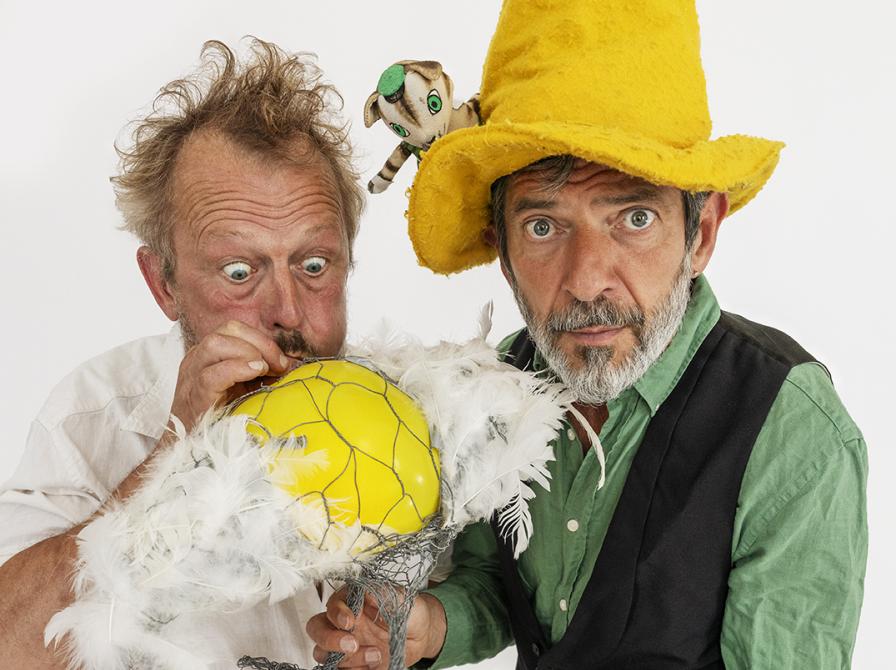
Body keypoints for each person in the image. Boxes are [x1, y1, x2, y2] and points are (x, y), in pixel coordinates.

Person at [307, 1, 868, 668]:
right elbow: (501, 584)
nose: (586, 280)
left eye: (634, 218)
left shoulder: (790, 431)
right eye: (544, 226)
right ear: (501, 246)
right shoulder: (505, 382)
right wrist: (427, 626)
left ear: (701, 234)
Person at [0, 38, 364, 667]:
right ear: (163, 284)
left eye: (313, 264)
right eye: (239, 271)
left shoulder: (418, 409)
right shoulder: (93, 419)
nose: (287, 311)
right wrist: (172, 461)